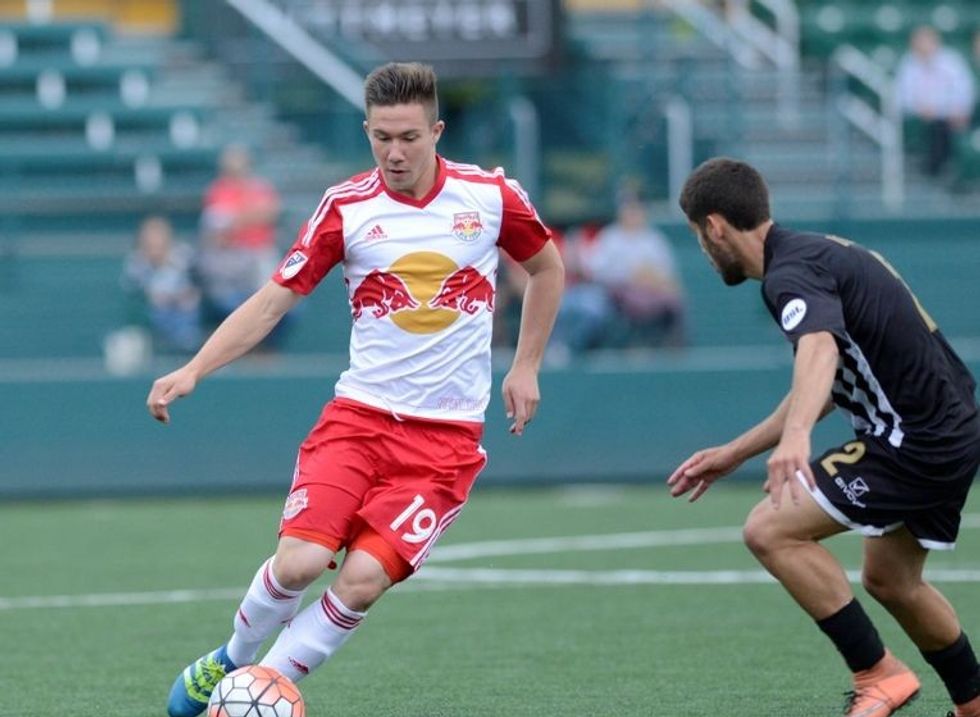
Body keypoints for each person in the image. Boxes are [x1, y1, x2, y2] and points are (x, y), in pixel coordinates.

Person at [149, 62, 564, 717]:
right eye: (381, 138)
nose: (395, 152)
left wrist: (526, 364)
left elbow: (546, 268)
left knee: (363, 580)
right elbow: (272, 300)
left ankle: (261, 689)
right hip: (359, 418)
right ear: (366, 132)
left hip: (446, 439)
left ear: (437, 130)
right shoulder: (347, 207)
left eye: (408, 136)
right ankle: (233, 657)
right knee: (298, 564)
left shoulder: (490, 197)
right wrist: (195, 367)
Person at [667, 157, 980, 717]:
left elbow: (819, 351)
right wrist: (736, 452)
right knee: (893, 581)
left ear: (715, 227)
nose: (704, 249)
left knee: (769, 530)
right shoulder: (818, 253)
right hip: (951, 431)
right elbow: (830, 378)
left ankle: (879, 674)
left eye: (698, 236)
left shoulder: (790, 275)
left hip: (914, 441)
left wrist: (797, 439)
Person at [196, 144, 286, 345]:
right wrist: (248, 216)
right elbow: (217, 225)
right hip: (229, 256)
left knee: (273, 301)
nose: (236, 172)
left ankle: (263, 348)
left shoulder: (261, 187)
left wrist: (237, 218)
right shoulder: (218, 190)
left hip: (260, 250)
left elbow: (269, 214)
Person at [586, 194, 685, 348]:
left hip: (652, 292)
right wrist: (631, 276)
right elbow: (596, 272)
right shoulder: (610, 237)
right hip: (618, 295)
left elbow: (668, 275)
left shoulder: (654, 240)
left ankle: (672, 348)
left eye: (636, 210)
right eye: (629, 210)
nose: (633, 215)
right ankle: (633, 347)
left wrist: (650, 279)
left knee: (674, 299)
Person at [895, 25, 975, 176]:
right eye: (920, 42)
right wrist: (919, 109)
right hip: (918, 118)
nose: (924, 46)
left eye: (928, 41)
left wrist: (956, 110)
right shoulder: (907, 65)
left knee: (947, 126)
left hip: (948, 115)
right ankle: (934, 171)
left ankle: (943, 171)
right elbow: (901, 98)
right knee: (936, 128)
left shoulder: (952, 61)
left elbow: (964, 90)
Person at [120, 216, 202, 353]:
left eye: (159, 233)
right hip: (154, 311)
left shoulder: (184, 255)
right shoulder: (136, 262)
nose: (155, 239)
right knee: (160, 313)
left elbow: (197, 282)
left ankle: (188, 346)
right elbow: (134, 292)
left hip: (183, 308)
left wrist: (185, 294)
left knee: (188, 312)